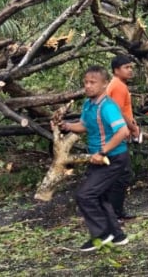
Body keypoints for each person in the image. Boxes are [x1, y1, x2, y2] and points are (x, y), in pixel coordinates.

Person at [59, 65, 131, 252]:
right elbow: (83, 125)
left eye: (93, 82)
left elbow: (122, 131)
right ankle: (117, 235)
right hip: (99, 158)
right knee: (100, 196)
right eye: (86, 82)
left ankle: (101, 234)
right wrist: (66, 126)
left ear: (105, 84)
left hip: (112, 158)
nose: (88, 86)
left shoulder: (107, 106)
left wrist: (103, 152)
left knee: (85, 195)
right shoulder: (88, 105)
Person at [106, 55, 141, 222]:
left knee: (119, 173)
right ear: (116, 70)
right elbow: (118, 111)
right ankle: (114, 213)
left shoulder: (116, 85)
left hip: (114, 134)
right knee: (122, 174)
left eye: (131, 67)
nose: (130, 70)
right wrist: (132, 128)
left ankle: (116, 211)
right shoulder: (118, 86)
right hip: (116, 135)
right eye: (126, 67)